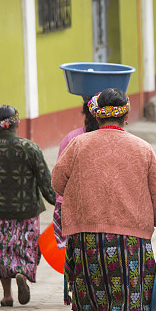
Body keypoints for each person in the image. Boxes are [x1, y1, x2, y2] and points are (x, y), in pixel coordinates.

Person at [51, 88, 156, 311]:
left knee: (90, 291)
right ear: (126, 115)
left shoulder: (78, 145)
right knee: (125, 296)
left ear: (96, 115)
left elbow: (57, 182)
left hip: (86, 234)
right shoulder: (143, 148)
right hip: (129, 237)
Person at [0, 105, 56, 307]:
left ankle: (7, 295)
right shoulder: (30, 148)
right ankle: (21, 273)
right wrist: (57, 202)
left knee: (1, 253)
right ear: (17, 124)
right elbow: (46, 183)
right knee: (25, 248)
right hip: (27, 211)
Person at [53, 100, 100, 248]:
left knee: (74, 252)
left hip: (71, 208)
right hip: (101, 211)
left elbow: (58, 177)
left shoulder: (71, 138)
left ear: (85, 113)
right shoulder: (115, 141)